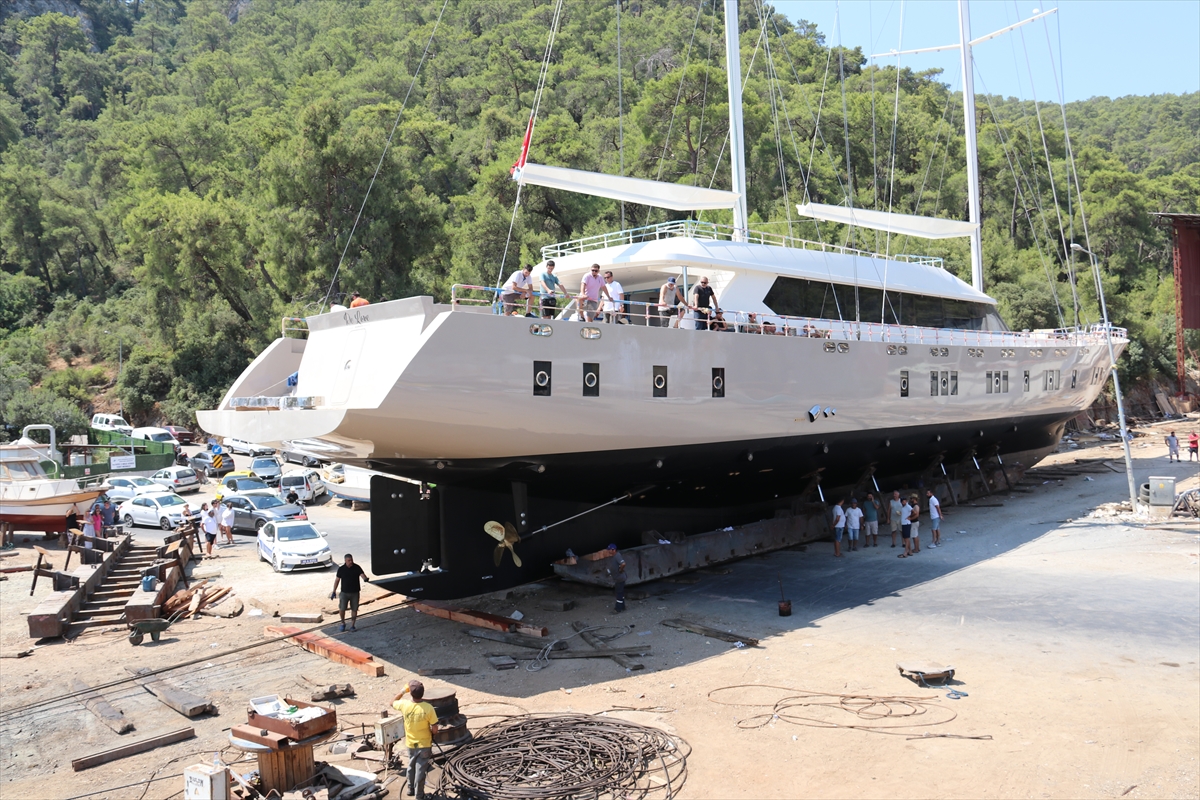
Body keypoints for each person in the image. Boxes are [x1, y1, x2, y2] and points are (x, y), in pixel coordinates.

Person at [391, 680, 439, 800]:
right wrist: (433, 734)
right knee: (420, 770)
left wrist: (403, 690)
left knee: (411, 766)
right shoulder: (428, 708)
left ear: (411, 693)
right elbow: (435, 728)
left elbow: (392, 702)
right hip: (424, 744)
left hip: (411, 744)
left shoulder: (404, 705)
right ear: (423, 693)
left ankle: (410, 789)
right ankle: (419, 795)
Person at [330, 554, 370, 632]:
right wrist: (334, 591)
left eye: (351, 560)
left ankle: (352, 625)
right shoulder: (341, 569)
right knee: (342, 609)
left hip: (355, 592)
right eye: (349, 560)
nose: (351, 562)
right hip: (344, 593)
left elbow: (362, 575)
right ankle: (342, 623)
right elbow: (337, 580)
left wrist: (365, 579)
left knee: (354, 609)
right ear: (345, 561)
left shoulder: (357, 567)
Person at [605, 544, 626, 611]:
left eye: (610, 550)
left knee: (619, 593)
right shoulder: (614, 556)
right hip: (618, 578)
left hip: (620, 578)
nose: (609, 551)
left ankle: (618, 608)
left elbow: (623, 564)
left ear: (614, 550)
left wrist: (620, 570)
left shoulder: (617, 556)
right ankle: (622, 607)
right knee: (621, 593)